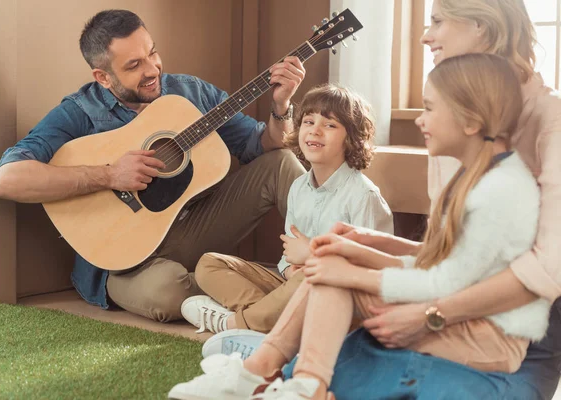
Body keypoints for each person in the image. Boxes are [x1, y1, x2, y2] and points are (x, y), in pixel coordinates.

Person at [168, 53, 551, 400]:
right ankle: (295, 380)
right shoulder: (472, 177)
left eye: (431, 109)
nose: (420, 119)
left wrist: (358, 268)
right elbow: (441, 258)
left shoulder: (502, 191)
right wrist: (362, 243)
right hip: (460, 316)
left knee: (336, 273)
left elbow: (448, 282)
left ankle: (276, 372)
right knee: (335, 262)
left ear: (470, 120)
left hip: (488, 340)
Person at [290, 1, 561, 399]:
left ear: (483, 27)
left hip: (516, 338)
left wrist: (430, 316)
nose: (424, 35)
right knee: (302, 367)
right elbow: (456, 256)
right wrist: (373, 243)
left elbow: (548, 269)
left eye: (437, 21)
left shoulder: (549, 123)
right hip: (443, 302)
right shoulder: (452, 124)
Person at [0, 9, 307, 322]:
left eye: (152, 53)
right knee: (166, 294)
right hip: (126, 263)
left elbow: (265, 145)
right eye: (134, 65)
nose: (152, 68)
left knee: (281, 163)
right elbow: (8, 180)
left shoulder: (190, 92)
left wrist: (281, 106)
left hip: (192, 229)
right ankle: (275, 293)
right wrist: (109, 175)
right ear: (103, 77)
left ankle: (329, 267)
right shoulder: (79, 112)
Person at [178, 84, 393, 347]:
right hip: (293, 287)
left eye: (330, 125)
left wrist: (312, 257)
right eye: (309, 121)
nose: (315, 130)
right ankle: (274, 321)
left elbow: (370, 272)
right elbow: (289, 255)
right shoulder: (298, 188)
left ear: (352, 138)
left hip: (341, 299)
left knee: (311, 275)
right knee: (209, 264)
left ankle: (234, 324)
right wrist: (290, 269)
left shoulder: (364, 196)